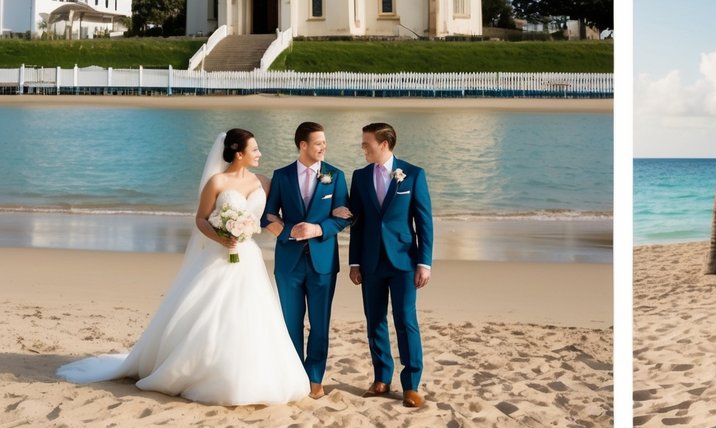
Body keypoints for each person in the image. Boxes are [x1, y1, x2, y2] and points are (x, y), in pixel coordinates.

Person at [57, 129, 310, 406]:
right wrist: (222, 237)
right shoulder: (217, 182)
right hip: (219, 252)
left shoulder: (264, 182)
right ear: (239, 154)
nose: (260, 153)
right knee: (210, 312)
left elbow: (272, 215)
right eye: (255, 149)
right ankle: (201, 370)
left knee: (252, 313)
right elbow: (201, 220)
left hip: (249, 257)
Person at [262, 121, 353, 398]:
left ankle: (315, 377)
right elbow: (268, 215)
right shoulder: (282, 176)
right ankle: (293, 376)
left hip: (323, 262)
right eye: (318, 143)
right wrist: (289, 233)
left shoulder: (335, 176)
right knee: (291, 322)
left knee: (319, 323)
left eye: (325, 142)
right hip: (288, 263)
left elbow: (345, 217)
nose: (324, 147)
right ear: (303, 145)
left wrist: (318, 229)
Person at [348, 121, 434, 409]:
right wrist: (355, 262)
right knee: (375, 320)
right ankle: (381, 378)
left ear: (383, 144)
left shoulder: (413, 174)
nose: (363, 148)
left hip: (404, 261)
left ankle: (411, 385)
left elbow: (424, 222)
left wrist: (425, 262)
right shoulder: (359, 177)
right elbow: (357, 224)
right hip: (371, 262)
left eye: (366, 143)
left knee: (405, 320)